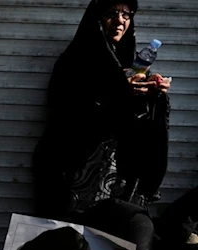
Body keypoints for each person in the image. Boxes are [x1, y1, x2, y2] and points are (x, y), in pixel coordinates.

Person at [33, 0, 171, 221]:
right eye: (112, 13)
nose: (119, 20)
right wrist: (119, 92)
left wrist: (155, 93)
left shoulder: (130, 63)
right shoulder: (75, 62)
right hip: (75, 171)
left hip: (118, 177)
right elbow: (69, 114)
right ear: (96, 19)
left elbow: (137, 118)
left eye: (126, 15)